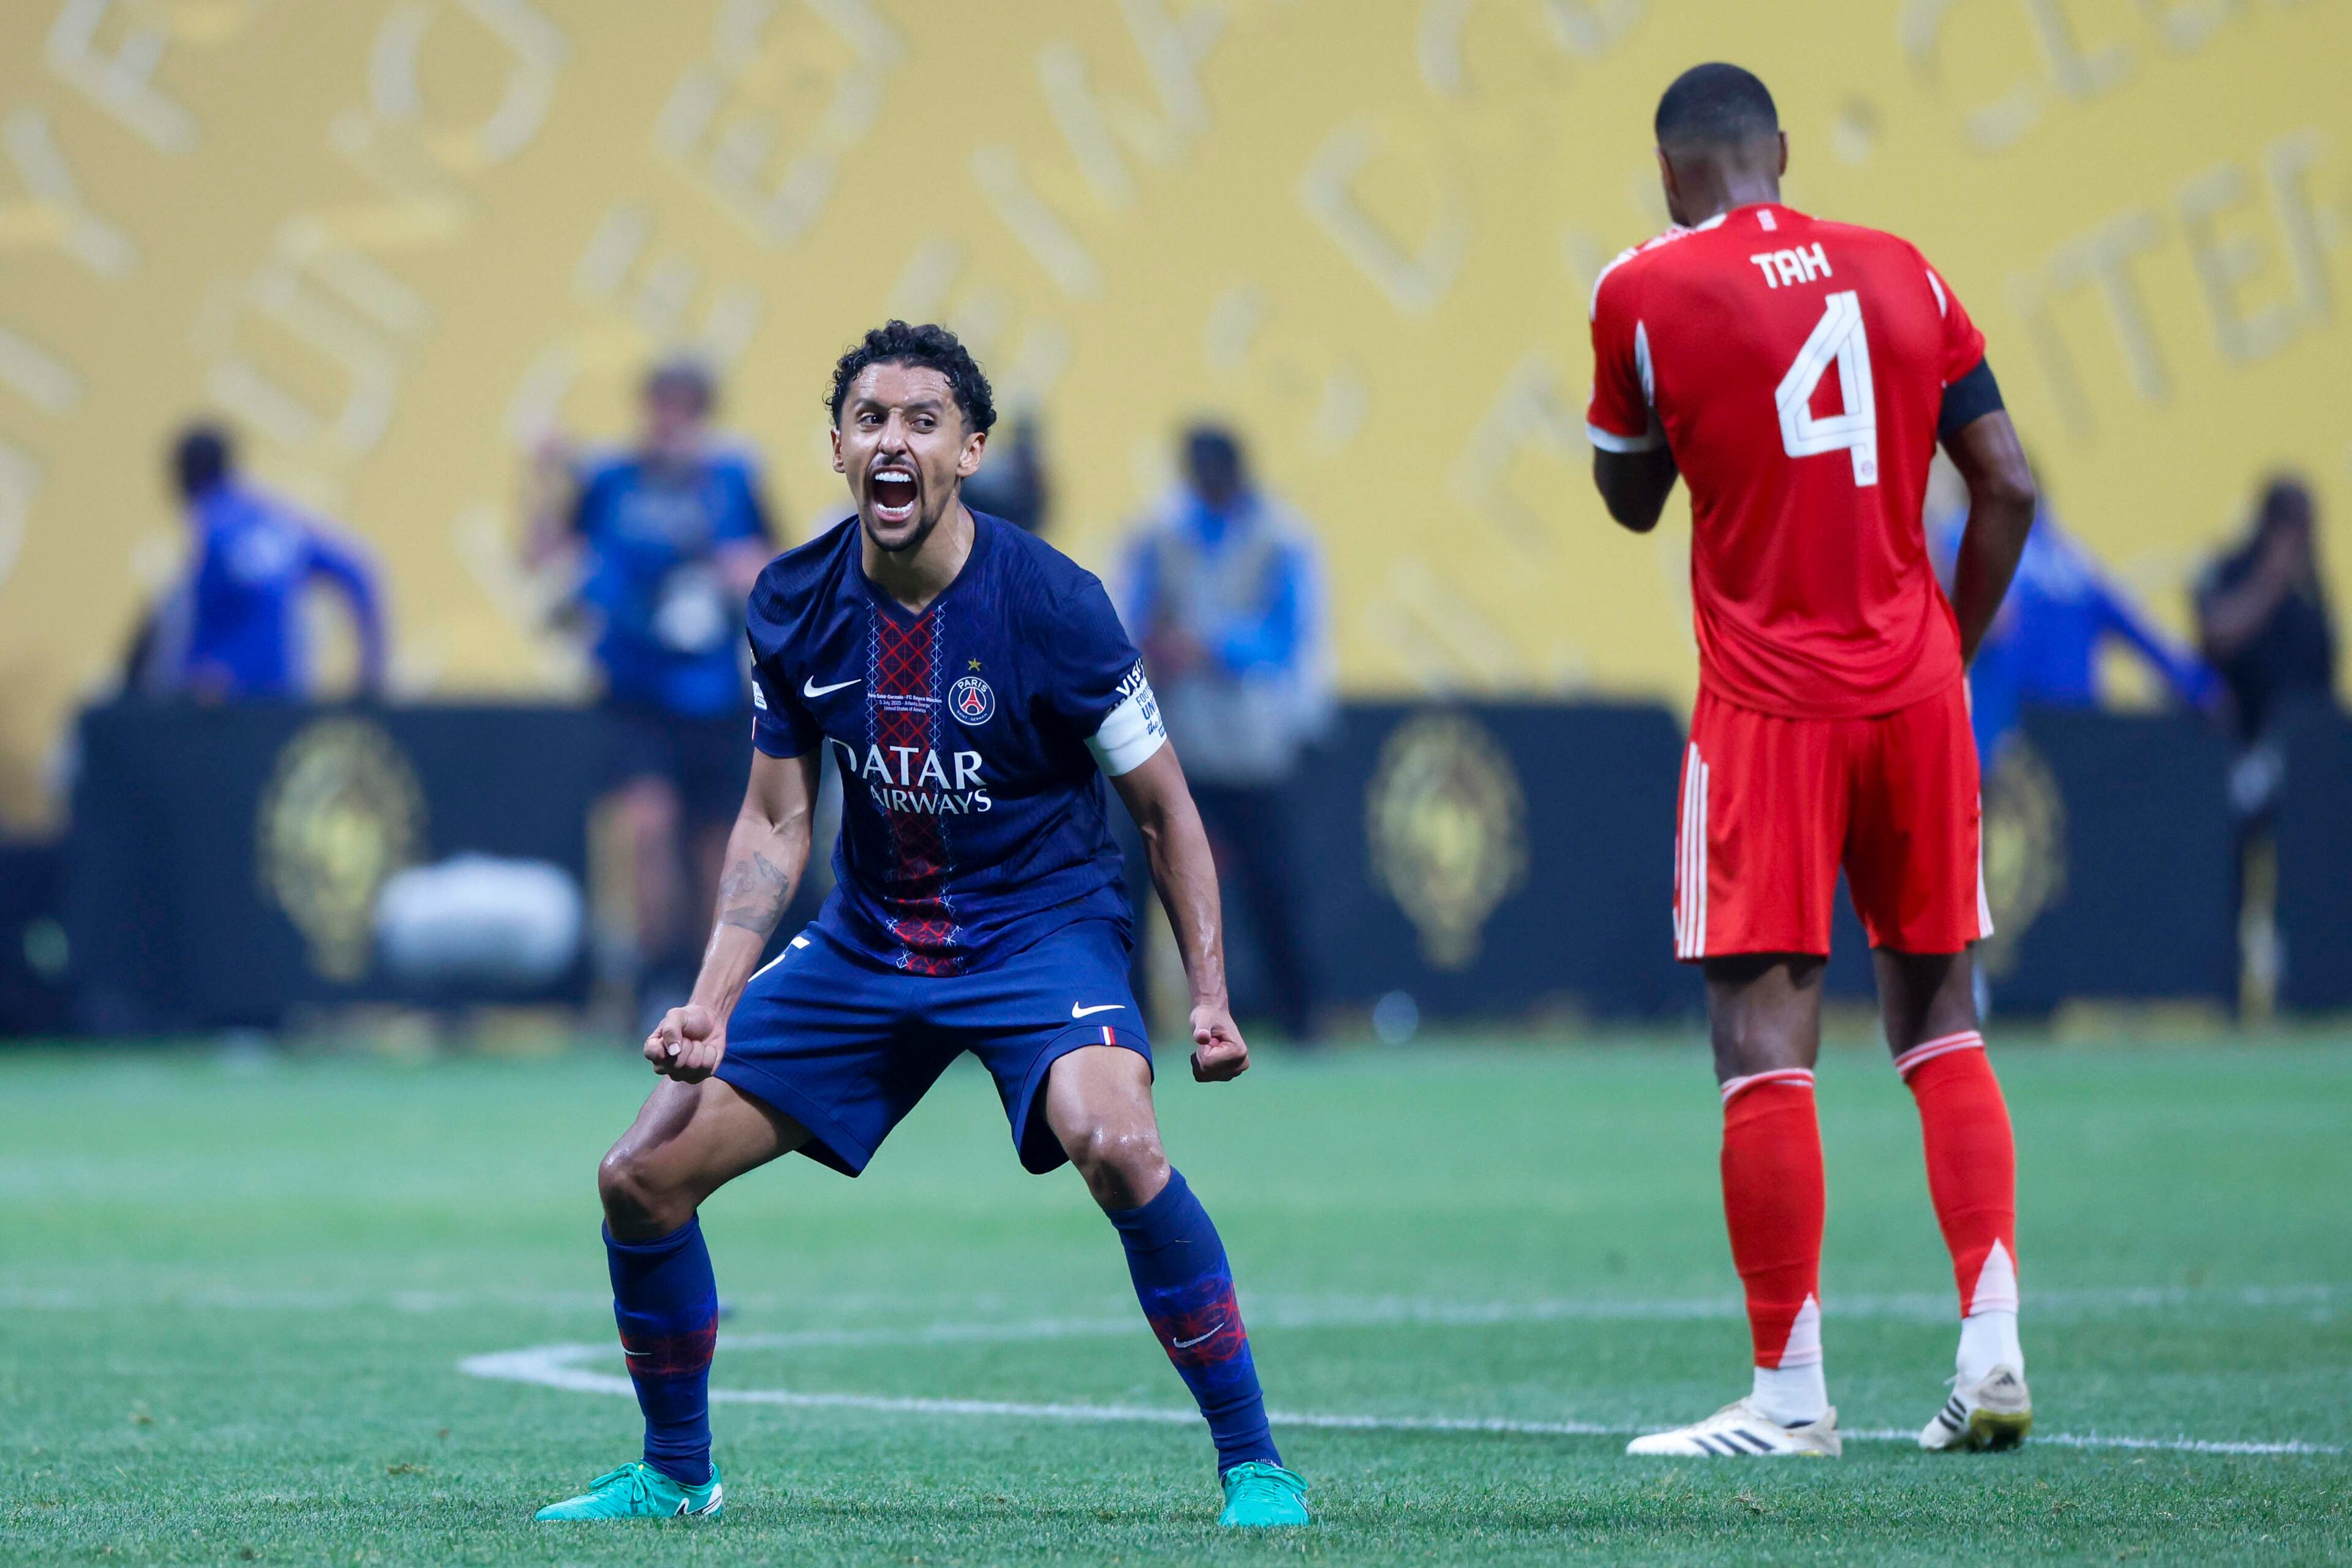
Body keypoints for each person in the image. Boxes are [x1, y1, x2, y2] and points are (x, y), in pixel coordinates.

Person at [533, 322, 1311, 1529]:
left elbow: (1164, 810)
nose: (894, 440)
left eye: (924, 419)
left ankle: (1256, 1460)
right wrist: (712, 995)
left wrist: (1207, 990)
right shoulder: (792, 601)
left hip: (1039, 930)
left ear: (971, 448)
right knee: (639, 1175)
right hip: (868, 941)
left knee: (1116, 1143)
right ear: (840, 445)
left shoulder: (1055, 602)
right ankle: (677, 1473)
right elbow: (775, 820)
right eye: (872, 419)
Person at [1585, 64, 2040, 1458]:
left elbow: (1626, 493)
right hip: (1913, 694)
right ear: (1776, 153)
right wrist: (1942, 658)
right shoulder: (1903, 268)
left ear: (1672, 173)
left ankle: (1788, 1395)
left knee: (1761, 1040)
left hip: (1768, 709)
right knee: (1940, 1017)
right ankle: (1991, 1344)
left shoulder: (1644, 289)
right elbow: (2007, 482)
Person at [528, 357, 778, 1019]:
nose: (669, 422)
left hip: (713, 695)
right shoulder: (609, 479)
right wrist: (541, 479)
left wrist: (739, 575)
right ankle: (656, 974)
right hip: (635, 692)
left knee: (712, 849)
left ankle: (709, 987)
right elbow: (546, 555)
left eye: (684, 407)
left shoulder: (732, 479)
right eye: (661, 406)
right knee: (646, 828)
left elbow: (771, 564)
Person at [1119, 426, 1329, 1040]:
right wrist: (1152, 645)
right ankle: (1132, 1018)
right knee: (1132, 884)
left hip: (1248, 743)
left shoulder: (1281, 538)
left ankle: (1301, 1017)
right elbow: (1128, 623)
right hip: (1169, 737)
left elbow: (1290, 637)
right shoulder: (1156, 535)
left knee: (1273, 885)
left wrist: (1209, 646)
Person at [1937, 478, 2214, 766]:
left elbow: (1988, 624)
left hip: (2004, 742)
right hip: (2076, 742)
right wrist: (2207, 690)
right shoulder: (2077, 565)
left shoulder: (1962, 535)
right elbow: (2148, 638)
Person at [137, 423, 387, 699]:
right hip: (284, 693)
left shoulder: (209, 527)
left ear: (181, 477)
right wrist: (371, 674)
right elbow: (358, 572)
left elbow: (175, 626)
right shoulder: (278, 520)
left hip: (220, 700)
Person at [2195, 476, 2336, 748]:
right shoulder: (2230, 570)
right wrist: (2272, 580)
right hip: (2236, 736)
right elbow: (2217, 637)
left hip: (2301, 741)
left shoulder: (2311, 591)